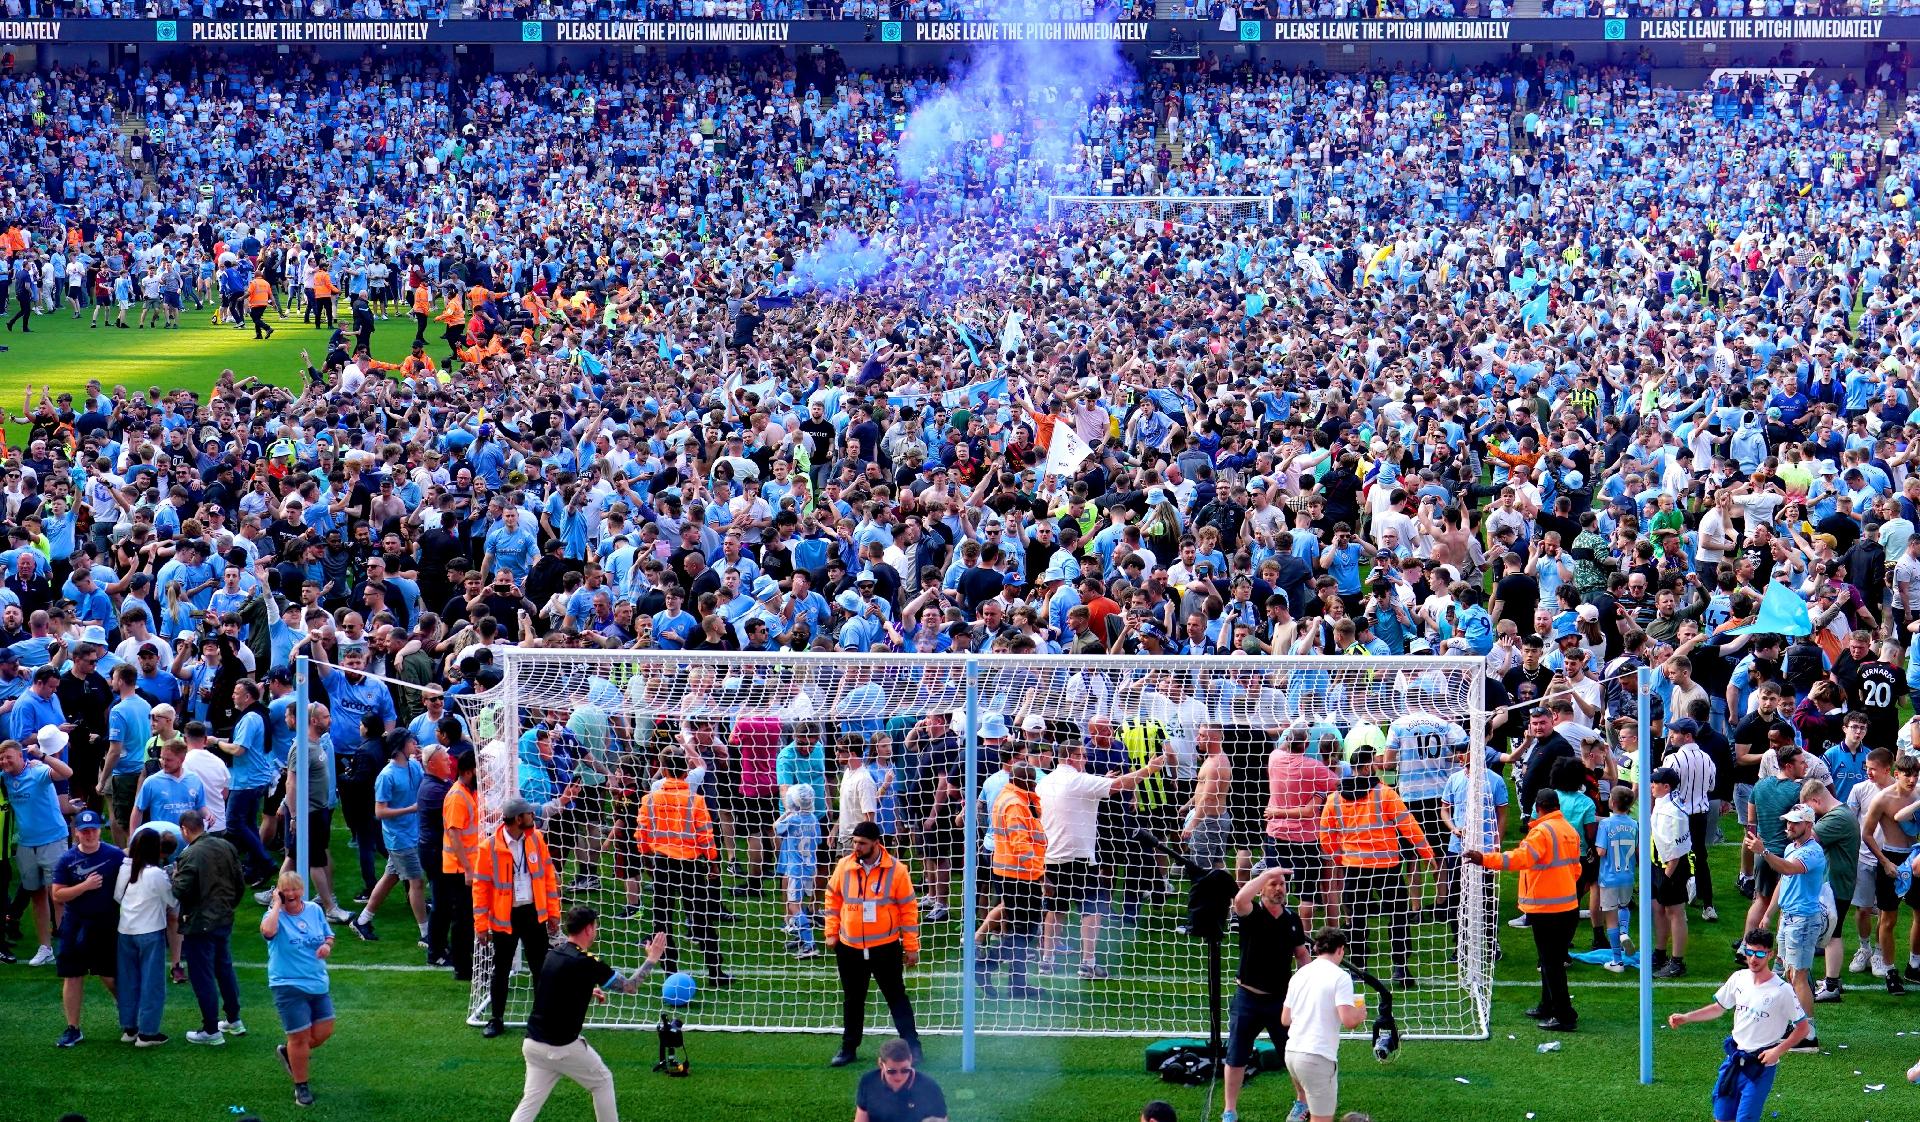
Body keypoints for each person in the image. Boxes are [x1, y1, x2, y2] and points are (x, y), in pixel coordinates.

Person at [509, 907, 667, 1122]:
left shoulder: (553, 954)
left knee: (530, 1103)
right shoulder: (587, 962)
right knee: (602, 1082)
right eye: (595, 926)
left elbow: (554, 986)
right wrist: (652, 958)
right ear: (589, 929)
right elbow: (630, 986)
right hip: (562, 1047)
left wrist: (586, 989)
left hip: (533, 1045)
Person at [1465, 788, 1583, 1031]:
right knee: (1551, 960)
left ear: (1538, 807)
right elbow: (1576, 869)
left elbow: (1519, 859)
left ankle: (1564, 1015)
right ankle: (1547, 1005)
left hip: (1548, 909)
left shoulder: (1542, 832)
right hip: (1568, 906)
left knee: (1550, 963)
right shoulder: (1568, 830)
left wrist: (1484, 859)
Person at [1666, 928, 1811, 1122]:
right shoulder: (1739, 978)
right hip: (1734, 1060)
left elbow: (1803, 1028)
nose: (1753, 959)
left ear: (1770, 954)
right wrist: (1686, 1017)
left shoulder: (1782, 990)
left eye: (1759, 953)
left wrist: (1777, 1051)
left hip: (1760, 1066)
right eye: (1749, 952)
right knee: (1722, 1117)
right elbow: (1718, 1008)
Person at [826, 820, 921, 1068]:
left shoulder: (897, 870)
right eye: (854, 842)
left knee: (896, 997)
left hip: (885, 947)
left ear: (876, 843)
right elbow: (832, 899)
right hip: (849, 947)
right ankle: (848, 1048)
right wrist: (831, 932)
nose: (856, 847)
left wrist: (911, 946)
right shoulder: (843, 867)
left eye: (862, 843)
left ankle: (913, 1047)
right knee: (853, 1000)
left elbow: (909, 909)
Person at [1221, 865, 1311, 1122]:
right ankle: (1230, 1110)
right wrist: (1265, 874)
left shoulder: (1292, 919)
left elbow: (1302, 954)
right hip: (1247, 998)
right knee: (1236, 1055)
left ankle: (1301, 1103)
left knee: (1291, 1055)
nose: (1279, 888)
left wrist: (1306, 985)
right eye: (1273, 884)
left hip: (1280, 1001)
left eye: (1282, 884)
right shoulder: (1251, 913)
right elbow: (1239, 899)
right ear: (1261, 888)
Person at [639, 745, 732, 986]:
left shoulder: (651, 798)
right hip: (691, 865)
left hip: (662, 864)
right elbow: (706, 835)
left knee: (662, 920)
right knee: (700, 917)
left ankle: (670, 973)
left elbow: (642, 834)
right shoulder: (696, 799)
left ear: (664, 769)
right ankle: (716, 972)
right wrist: (712, 862)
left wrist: (647, 855)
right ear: (685, 770)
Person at [476, 797, 562, 1038]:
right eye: (529, 815)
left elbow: (548, 879)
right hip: (505, 917)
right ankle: (496, 1019)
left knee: (540, 969)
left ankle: (541, 1018)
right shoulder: (489, 847)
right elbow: (480, 889)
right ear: (517, 819)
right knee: (500, 969)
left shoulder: (537, 840)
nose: (533, 818)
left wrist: (553, 912)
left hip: (534, 914)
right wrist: (481, 925)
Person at [1746, 805, 1827, 1052]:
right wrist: (1770, 913)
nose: (1789, 826)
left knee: (1799, 975)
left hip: (1802, 921)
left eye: (1795, 823)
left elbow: (1789, 869)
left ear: (1808, 825)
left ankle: (1808, 1035)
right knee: (1790, 974)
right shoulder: (1793, 848)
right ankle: (1798, 1026)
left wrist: (1764, 851)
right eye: (1788, 822)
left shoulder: (1813, 853)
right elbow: (1784, 879)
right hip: (1789, 918)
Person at [260, 871, 335, 1108]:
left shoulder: (314, 910)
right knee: (300, 1038)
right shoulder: (273, 915)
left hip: (317, 982)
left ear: (302, 890)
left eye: (295, 889)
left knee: (323, 1031)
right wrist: (276, 906)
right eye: (286, 890)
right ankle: (301, 1086)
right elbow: (268, 932)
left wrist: (325, 946)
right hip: (287, 984)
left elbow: (328, 936)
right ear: (279, 892)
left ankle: (290, 1052)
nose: (291, 894)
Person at [50, 809, 123, 1047]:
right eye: (84, 831)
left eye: (93, 830)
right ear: (76, 833)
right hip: (76, 923)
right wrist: (85, 886)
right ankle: (73, 1027)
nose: (89, 834)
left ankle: (128, 1013)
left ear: (100, 830)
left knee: (110, 976)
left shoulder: (114, 855)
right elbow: (57, 895)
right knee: (72, 975)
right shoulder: (66, 860)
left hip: (106, 923)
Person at [173, 808, 245, 1045]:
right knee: (224, 968)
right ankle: (234, 1020)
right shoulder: (226, 846)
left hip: (200, 923)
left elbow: (180, 890)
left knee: (202, 975)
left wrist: (174, 876)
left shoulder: (190, 855)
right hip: (223, 918)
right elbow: (239, 883)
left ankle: (211, 1030)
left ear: (185, 830)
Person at [2, 735, 74, 966]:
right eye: (1, 758)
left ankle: (66, 946)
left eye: (8, 757)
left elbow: (67, 773)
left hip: (53, 839)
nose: (4, 761)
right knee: (36, 896)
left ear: (21, 756)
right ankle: (45, 948)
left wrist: (42, 756)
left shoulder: (38, 771)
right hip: (25, 844)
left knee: (58, 895)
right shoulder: (4, 777)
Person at [1281, 927, 1365, 1122]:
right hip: (1316, 1057)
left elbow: (1285, 1019)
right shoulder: (1340, 977)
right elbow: (1349, 1020)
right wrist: (1360, 1014)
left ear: (1317, 948)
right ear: (1340, 950)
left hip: (1292, 1054)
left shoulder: (1300, 974)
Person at [351, 735, 428, 944]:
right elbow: (380, 811)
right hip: (399, 838)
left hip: (413, 834)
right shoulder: (387, 776)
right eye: (411, 742)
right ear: (399, 747)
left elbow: (425, 782)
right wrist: (411, 809)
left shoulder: (414, 766)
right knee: (417, 882)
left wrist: (425, 760)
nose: (415, 745)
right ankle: (426, 933)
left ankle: (363, 920)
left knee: (390, 877)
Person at [978, 761, 1046, 998]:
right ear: (1023, 781)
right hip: (1020, 876)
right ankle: (987, 965)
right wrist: (1040, 873)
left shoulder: (1012, 798)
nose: (1036, 783)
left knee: (1021, 931)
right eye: (1032, 779)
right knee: (1024, 932)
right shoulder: (1015, 804)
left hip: (1011, 874)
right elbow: (1021, 844)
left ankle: (1017, 984)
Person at [112, 826, 176, 1047]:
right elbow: (172, 901)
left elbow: (117, 896)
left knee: (128, 981)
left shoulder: (125, 869)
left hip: (126, 931)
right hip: (150, 933)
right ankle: (148, 1033)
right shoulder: (155, 874)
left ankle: (129, 1029)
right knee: (152, 983)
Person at [436, 747, 481, 981]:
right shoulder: (457, 797)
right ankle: (462, 968)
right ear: (469, 772)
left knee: (469, 918)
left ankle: (467, 963)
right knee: (463, 920)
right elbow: (454, 834)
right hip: (459, 869)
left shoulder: (468, 792)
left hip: (466, 866)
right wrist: (468, 868)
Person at [1649, 767, 1695, 979]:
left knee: (1675, 913)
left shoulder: (1673, 811)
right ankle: (1659, 953)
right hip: (1658, 864)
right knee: (1657, 908)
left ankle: (1677, 962)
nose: (1651, 786)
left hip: (1671, 868)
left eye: (1655, 783)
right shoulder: (1664, 803)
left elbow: (1676, 850)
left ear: (1666, 787)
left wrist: (1667, 875)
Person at [854, 1037, 949, 1122]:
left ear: (911, 1060)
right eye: (892, 1071)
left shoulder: (929, 1088)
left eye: (905, 1070)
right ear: (880, 1064)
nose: (899, 1077)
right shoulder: (869, 1081)